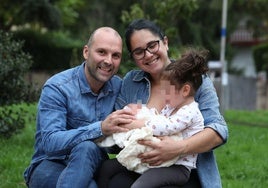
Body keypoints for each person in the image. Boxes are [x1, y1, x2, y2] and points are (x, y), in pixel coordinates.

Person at [97, 19, 228, 188]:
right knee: (116, 182)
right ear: (133, 58)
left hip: (184, 169)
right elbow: (116, 137)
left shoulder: (194, 80)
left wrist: (178, 148)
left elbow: (218, 131)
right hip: (142, 162)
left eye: (152, 45)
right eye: (139, 52)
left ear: (165, 42)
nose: (148, 54)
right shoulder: (131, 82)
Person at [23, 27, 135, 188]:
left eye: (115, 55)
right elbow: (49, 143)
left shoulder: (119, 87)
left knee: (87, 149)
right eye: (102, 52)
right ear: (86, 52)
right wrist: (101, 128)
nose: (109, 61)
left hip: (94, 162)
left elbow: (116, 145)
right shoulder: (58, 87)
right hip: (50, 163)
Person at [98, 49, 208, 188]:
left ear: (185, 90)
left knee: (139, 186)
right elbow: (154, 116)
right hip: (158, 159)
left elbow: (165, 127)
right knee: (107, 167)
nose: (163, 96)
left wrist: (137, 124)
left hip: (176, 168)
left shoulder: (190, 111)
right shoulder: (172, 107)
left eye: (167, 92)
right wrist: (138, 110)